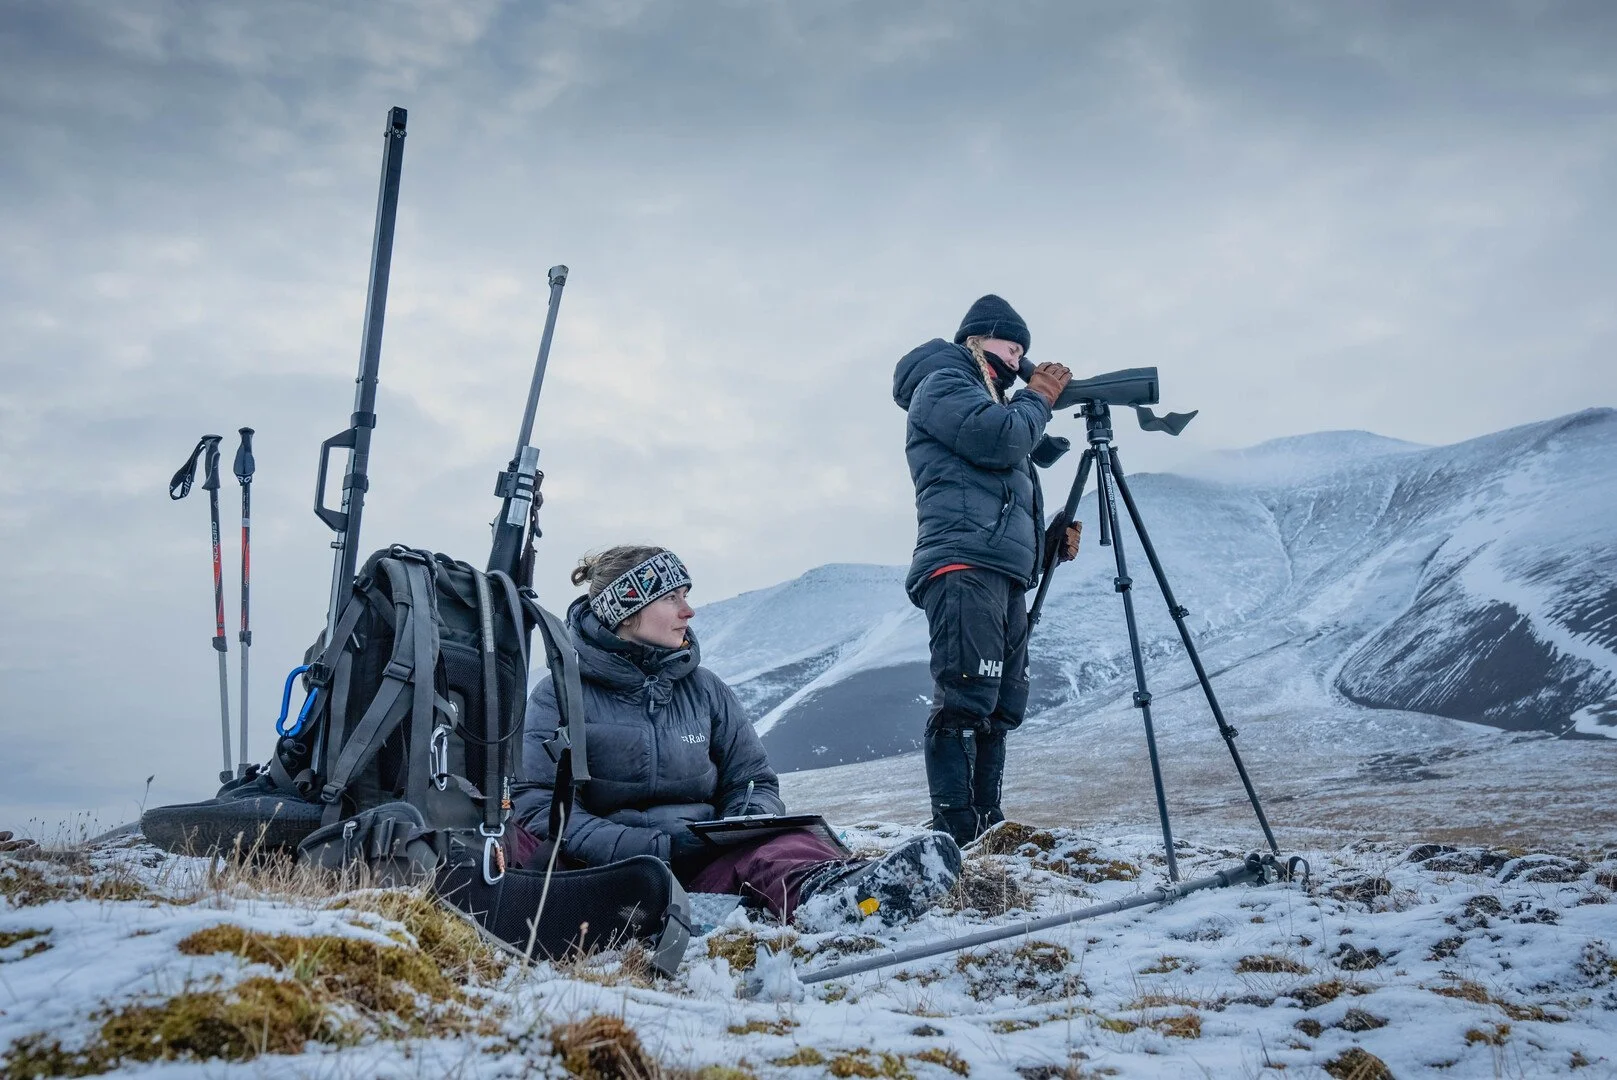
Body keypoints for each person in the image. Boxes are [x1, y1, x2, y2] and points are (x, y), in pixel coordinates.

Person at [513, 544, 962, 927]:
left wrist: (737, 825)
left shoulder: (706, 689)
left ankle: (842, 899)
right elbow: (535, 805)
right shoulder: (558, 694)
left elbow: (753, 780)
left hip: (704, 858)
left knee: (785, 844)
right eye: (671, 597)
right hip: (611, 870)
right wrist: (654, 846)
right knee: (518, 844)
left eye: (686, 595)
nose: (688, 611)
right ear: (626, 611)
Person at [893, 295, 1082, 845]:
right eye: (1009, 343)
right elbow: (999, 441)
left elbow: (993, 497)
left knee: (1000, 706)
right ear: (975, 339)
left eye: (1024, 347)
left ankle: (985, 824)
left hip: (997, 569)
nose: (1019, 354)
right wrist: (1040, 394)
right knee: (966, 696)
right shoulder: (944, 383)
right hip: (961, 565)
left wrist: (1044, 548)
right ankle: (953, 829)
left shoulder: (990, 399)